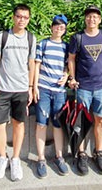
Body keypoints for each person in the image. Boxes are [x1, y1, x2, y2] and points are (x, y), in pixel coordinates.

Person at [0, 4, 36, 182]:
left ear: (29, 19)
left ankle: (15, 159)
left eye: (25, 17)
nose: (21, 20)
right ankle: (2, 157)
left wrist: (31, 88)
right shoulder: (2, 37)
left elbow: (31, 64)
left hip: (22, 89)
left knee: (19, 124)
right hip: (2, 88)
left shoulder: (31, 38)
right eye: (19, 16)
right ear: (13, 17)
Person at [67, 5, 102, 175]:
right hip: (83, 87)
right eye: (88, 16)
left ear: (99, 19)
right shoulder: (78, 38)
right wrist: (72, 78)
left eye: (95, 16)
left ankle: (99, 153)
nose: (91, 19)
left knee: (100, 120)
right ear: (85, 19)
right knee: (81, 123)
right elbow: (71, 59)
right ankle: (82, 154)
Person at [33, 14, 70, 178]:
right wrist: (33, 87)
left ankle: (59, 156)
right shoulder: (43, 44)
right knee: (41, 123)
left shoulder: (67, 47)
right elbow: (36, 66)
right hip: (44, 89)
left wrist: (67, 75)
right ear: (51, 27)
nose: (59, 29)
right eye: (56, 26)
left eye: (62, 27)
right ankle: (41, 158)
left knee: (57, 124)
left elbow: (69, 65)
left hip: (60, 91)